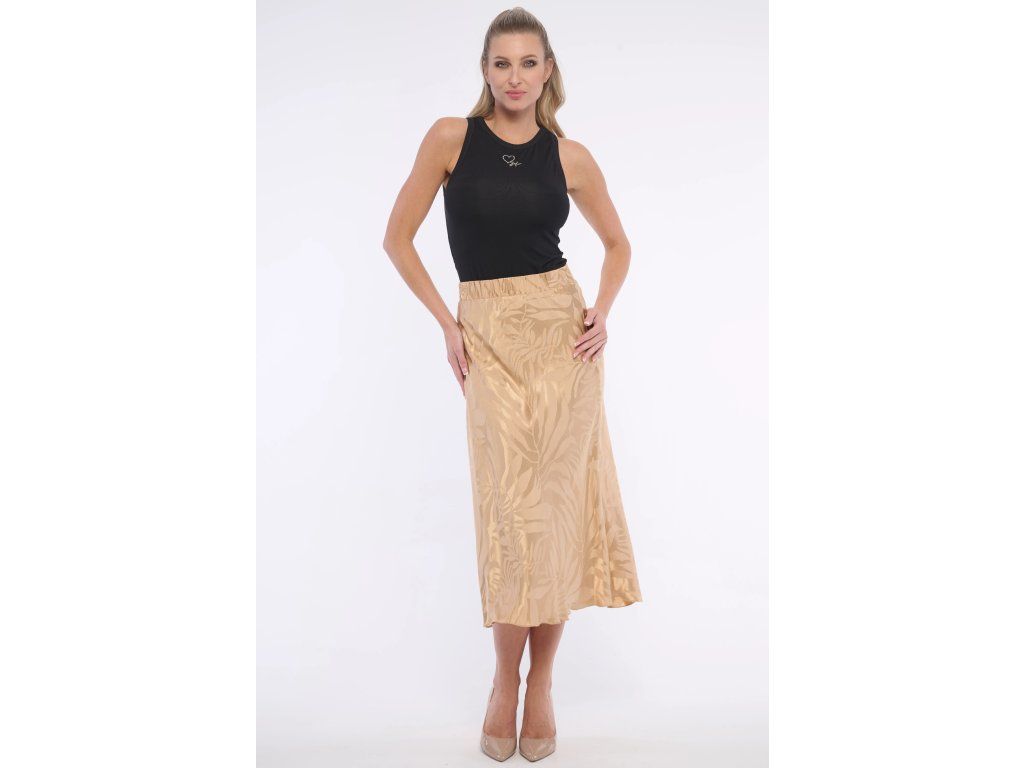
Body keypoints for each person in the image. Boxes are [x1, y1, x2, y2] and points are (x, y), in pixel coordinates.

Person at [382, 7, 643, 762]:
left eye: (529, 63)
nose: (516, 77)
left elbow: (619, 244)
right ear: (485, 71)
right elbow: (397, 239)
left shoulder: (571, 156)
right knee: (510, 518)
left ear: (548, 70)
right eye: (502, 63)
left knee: (553, 521)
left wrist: (602, 312)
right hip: (488, 339)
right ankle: (504, 678)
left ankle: (543, 683)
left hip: (562, 342)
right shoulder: (449, 139)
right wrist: (448, 323)